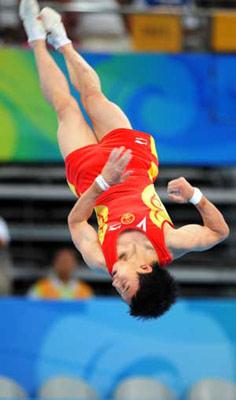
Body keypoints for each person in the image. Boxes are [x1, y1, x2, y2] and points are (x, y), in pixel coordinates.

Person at [19, 0, 229, 319]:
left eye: (120, 294)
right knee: (93, 98)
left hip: (92, 179)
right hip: (133, 164)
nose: (116, 285)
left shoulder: (101, 259)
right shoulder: (170, 242)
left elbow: (75, 222)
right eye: (126, 288)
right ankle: (62, 41)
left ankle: (35, 38)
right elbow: (218, 233)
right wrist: (195, 196)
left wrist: (103, 182)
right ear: (146, 267)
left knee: (66, 108)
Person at [27, 248, 94, 299]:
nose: (65, 265)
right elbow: (31, 310)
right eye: (62, 261)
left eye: (68, 262)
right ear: (54, 263)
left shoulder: (85, 291)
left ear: (75, 264)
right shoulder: (40, 289)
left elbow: (90, 313)